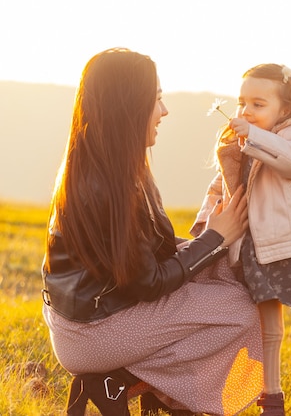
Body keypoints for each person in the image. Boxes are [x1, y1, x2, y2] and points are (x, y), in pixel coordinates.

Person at [41, 47, 263, 416]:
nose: (164, 111)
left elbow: (148, 253)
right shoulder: (104, 185)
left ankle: (156, 390)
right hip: (90, 334)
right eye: (156, 99)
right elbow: (149, 282)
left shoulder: (117, 165)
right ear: (129, 106)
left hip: (99, 316)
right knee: (239, 311)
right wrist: (214, 239)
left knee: (223, 276)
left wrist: (212, 237)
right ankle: (133, 383)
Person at [191, 63, 291, 416]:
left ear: (285, 108)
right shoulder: (239, 144)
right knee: (269, 333)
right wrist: (203, 227)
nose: (246, 112)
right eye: (243, 103)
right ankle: (271, 400)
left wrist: (253, 137)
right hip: (257, 252)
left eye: (259, 104)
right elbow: (219, 189)